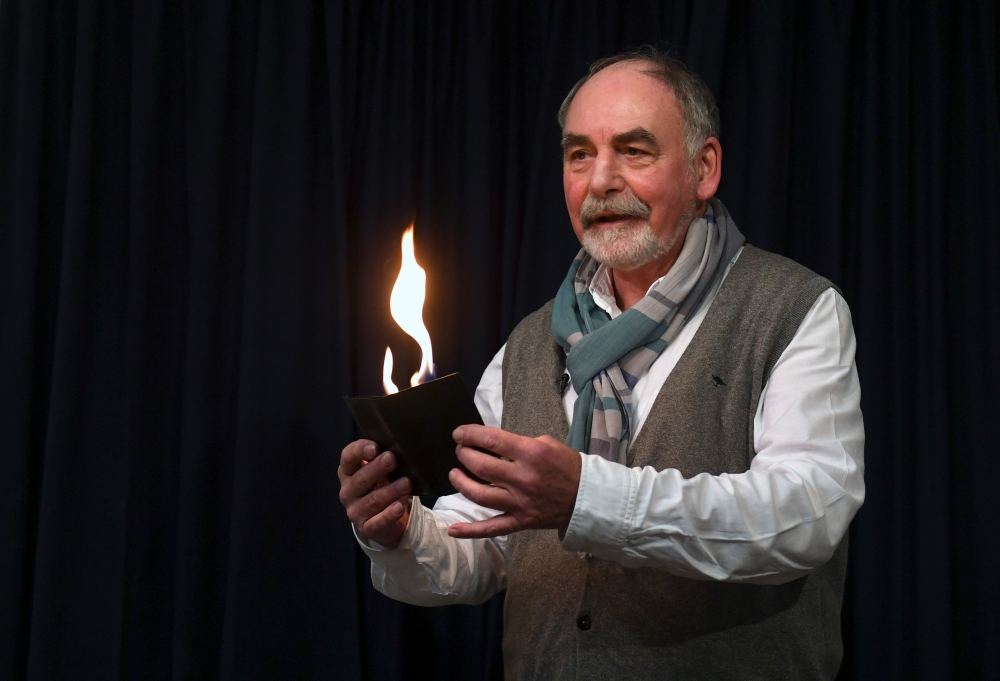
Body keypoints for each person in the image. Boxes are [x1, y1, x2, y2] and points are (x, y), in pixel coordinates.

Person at [339, 46, 864, 680]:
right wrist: (399, 532)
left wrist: (586, 496)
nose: (600, 181)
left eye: (634, 151)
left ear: (704, 168)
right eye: (579, 154)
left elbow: (805, 516)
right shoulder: (532, 343)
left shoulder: (795, 310)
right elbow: (482, 546)